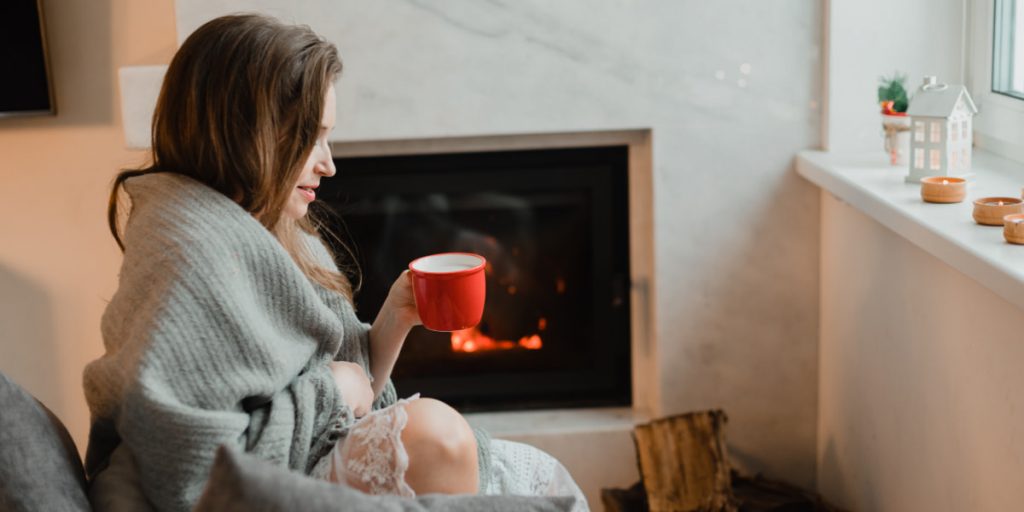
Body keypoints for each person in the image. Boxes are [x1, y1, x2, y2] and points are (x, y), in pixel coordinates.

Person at [82, 13, 587, 512]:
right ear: (249, 133)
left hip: (296, 464)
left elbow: (352, 394)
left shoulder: (265, 224)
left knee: (531, 471)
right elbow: (191, 473)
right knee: (436, 435)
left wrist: (392, 321)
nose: (329, 163)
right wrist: (332, 392)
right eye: (312, 137)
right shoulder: (190, 252)